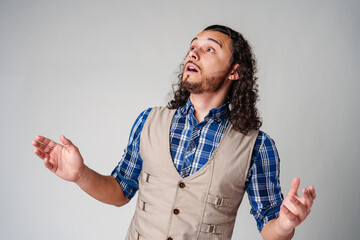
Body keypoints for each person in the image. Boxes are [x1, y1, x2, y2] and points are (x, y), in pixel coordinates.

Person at [32, 25, 316, 240]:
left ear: (234, 72)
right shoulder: (148, 121)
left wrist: (286, 224)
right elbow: (120, 190)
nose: (193, 52)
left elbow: (270, 227)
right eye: (193, 47)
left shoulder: (257, 146)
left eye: (209, 49)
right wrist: (80, 175)